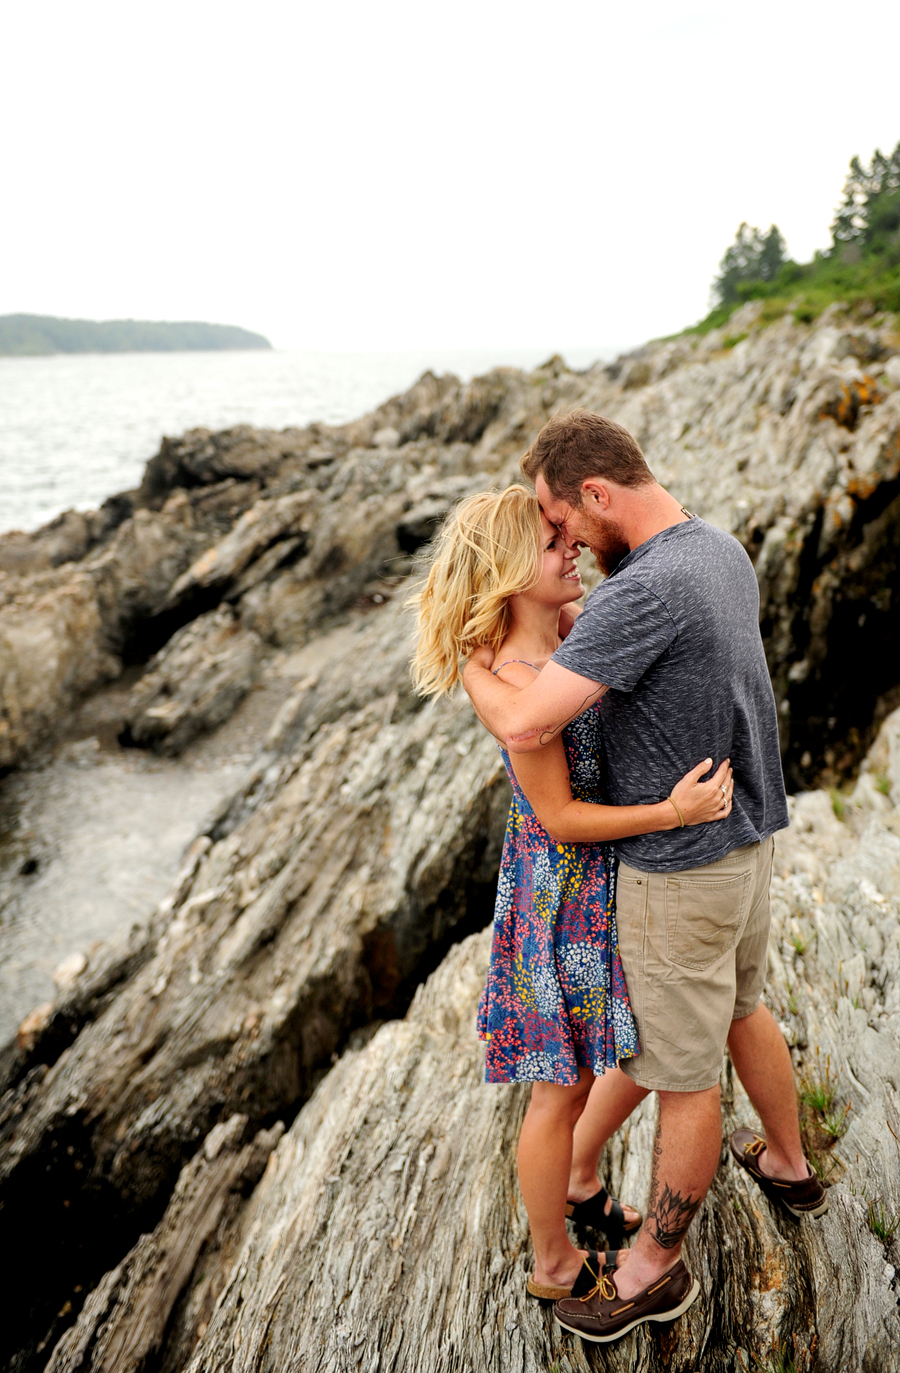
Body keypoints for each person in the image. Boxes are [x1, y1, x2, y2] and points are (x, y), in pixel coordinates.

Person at [462, 410, 827, 1345]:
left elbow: (527, 724)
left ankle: (651, 1268)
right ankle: (786, 1161)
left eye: (564, 519)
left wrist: (469, 662)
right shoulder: (717, 549)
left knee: (683, 1078)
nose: (570, 540)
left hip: (678, 873)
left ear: (595, 494)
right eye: (550, 537)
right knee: (743, 1010)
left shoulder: (637, 595)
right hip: (748, 843)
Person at [411, 485, 733, 1308]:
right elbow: (556, 814)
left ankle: (581, 1184)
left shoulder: (547, 639)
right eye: (556, 544)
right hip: (561, 900)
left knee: (613, 1054)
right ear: (517, 569)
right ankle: (552, 1262)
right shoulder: (518, 677)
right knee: (560, 1088)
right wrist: (673, 811)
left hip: (594, 887)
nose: (573, 550)